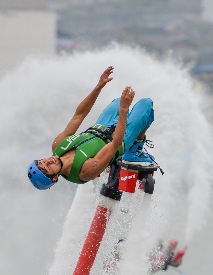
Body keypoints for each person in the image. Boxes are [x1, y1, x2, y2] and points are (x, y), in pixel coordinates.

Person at [27, 66, 156, 190]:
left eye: (42, 161)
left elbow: (79, 115)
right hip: (120, 139)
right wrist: (123, 109)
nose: (48, 161)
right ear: (55, 177)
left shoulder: (58, 145)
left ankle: (111, 156)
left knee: (118, 101)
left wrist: (99, 86)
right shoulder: (84, 172)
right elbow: (114, 144)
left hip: (102, 125)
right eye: (47, 168)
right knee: (146, 104)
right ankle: (135, 148)